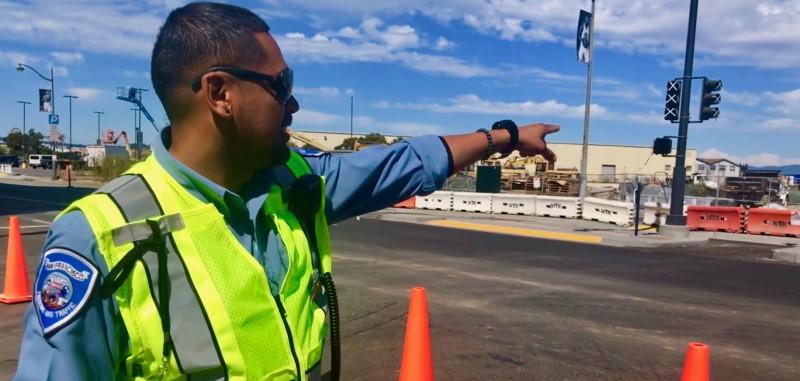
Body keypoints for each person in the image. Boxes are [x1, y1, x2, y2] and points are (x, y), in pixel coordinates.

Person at [13, 2, 559, 380]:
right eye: (282, 86)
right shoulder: (99, 237)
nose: (293, 105)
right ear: (220, 93)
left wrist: (502, 137)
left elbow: (403, 163)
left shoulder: (297, 183)